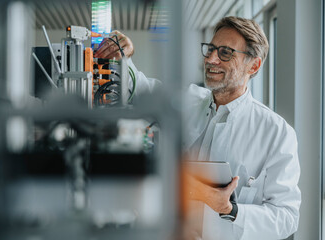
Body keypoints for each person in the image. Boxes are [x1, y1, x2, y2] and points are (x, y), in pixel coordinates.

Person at [94, 16, 301, 240]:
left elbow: (287, 217)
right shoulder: (186, 100)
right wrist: (123, 56)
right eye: (211, 49)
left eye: (225, 53)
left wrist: (231, 210)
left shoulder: (276, 133)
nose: (211, 59)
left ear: (254, 65)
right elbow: (138, 88)